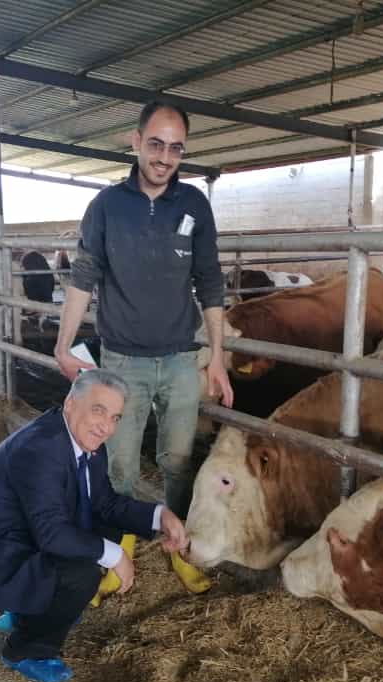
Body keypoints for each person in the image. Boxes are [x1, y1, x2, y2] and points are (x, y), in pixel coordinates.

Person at [53, 101, 233, 593]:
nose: (165, 156)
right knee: (120, 466)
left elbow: (211, 282)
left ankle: (180, 547)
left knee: (178, 460)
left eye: (176, 148)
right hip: (122, 361)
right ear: (135, 142)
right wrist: (63, 344)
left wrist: (216, 356)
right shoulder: (108, 206)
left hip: (180, 358)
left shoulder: (194, 205)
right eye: (156, 144)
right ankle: (119, 552)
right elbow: (83, 277)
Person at [0, 369, 189, 682]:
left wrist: (160, 515)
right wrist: (115, 556)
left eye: (115, 417)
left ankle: (29, 608)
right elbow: (52, 534)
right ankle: (24, 649)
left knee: (105, 530)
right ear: (70, 403)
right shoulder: (41, 448)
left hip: (25, 534)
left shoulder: (82, 439)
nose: (107, 426)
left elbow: (105, 503)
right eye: (99, 411)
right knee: (80, 574)